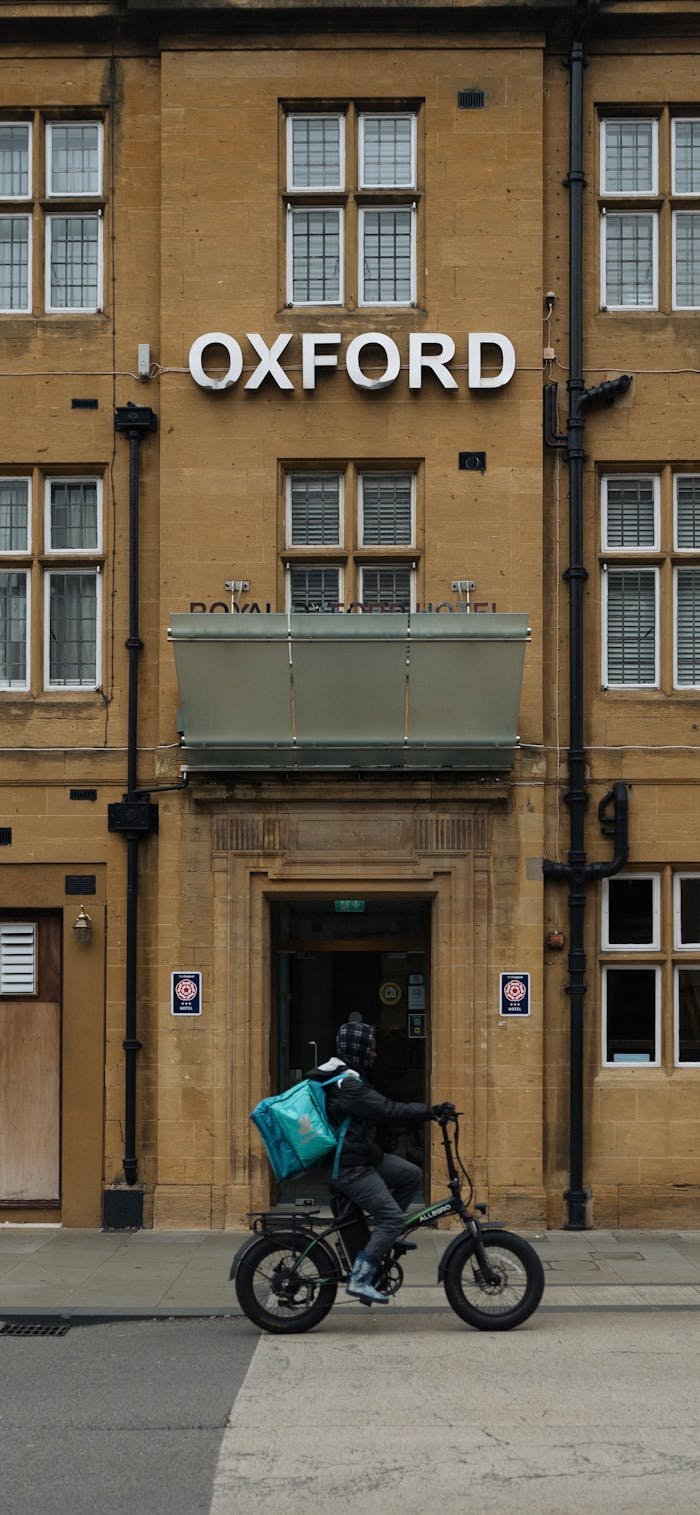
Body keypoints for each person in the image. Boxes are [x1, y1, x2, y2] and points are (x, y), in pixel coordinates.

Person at [307, 1020, 454, 1305]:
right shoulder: (346, 1083)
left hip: (360, 1155)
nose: (374, 1055)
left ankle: (384, 1238)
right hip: (349, 1167)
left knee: (411, 1175)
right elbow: (386, 1109)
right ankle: (361, 1277)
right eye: (371, 1050)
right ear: (357, 1048)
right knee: (391, 1217)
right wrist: (430, 1112)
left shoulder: (346, 1076)